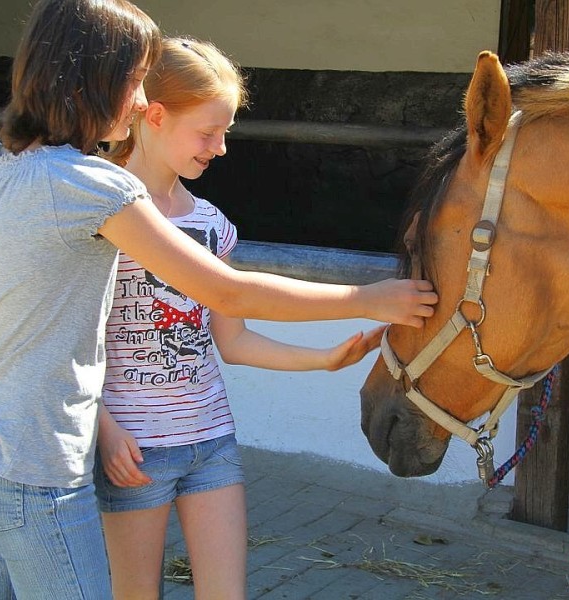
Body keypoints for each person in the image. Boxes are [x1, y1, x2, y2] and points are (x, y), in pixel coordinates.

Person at [0, 0, 437, 598]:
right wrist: (367, 297)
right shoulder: (93, 187)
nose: (140, 98)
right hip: (29, 460)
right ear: (98, 82)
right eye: (134, 81)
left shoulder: (9, 160)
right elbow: (224, 290)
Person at [93, 36, 391, 600]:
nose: (221, 147)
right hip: (135, 446)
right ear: (155, 116)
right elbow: (73, 341)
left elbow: (232, 340)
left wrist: (325, 361)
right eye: (208, 132)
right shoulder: (103, 209)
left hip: (211, 439)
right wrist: (105, 429)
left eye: (225, 131)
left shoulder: (211, 222)